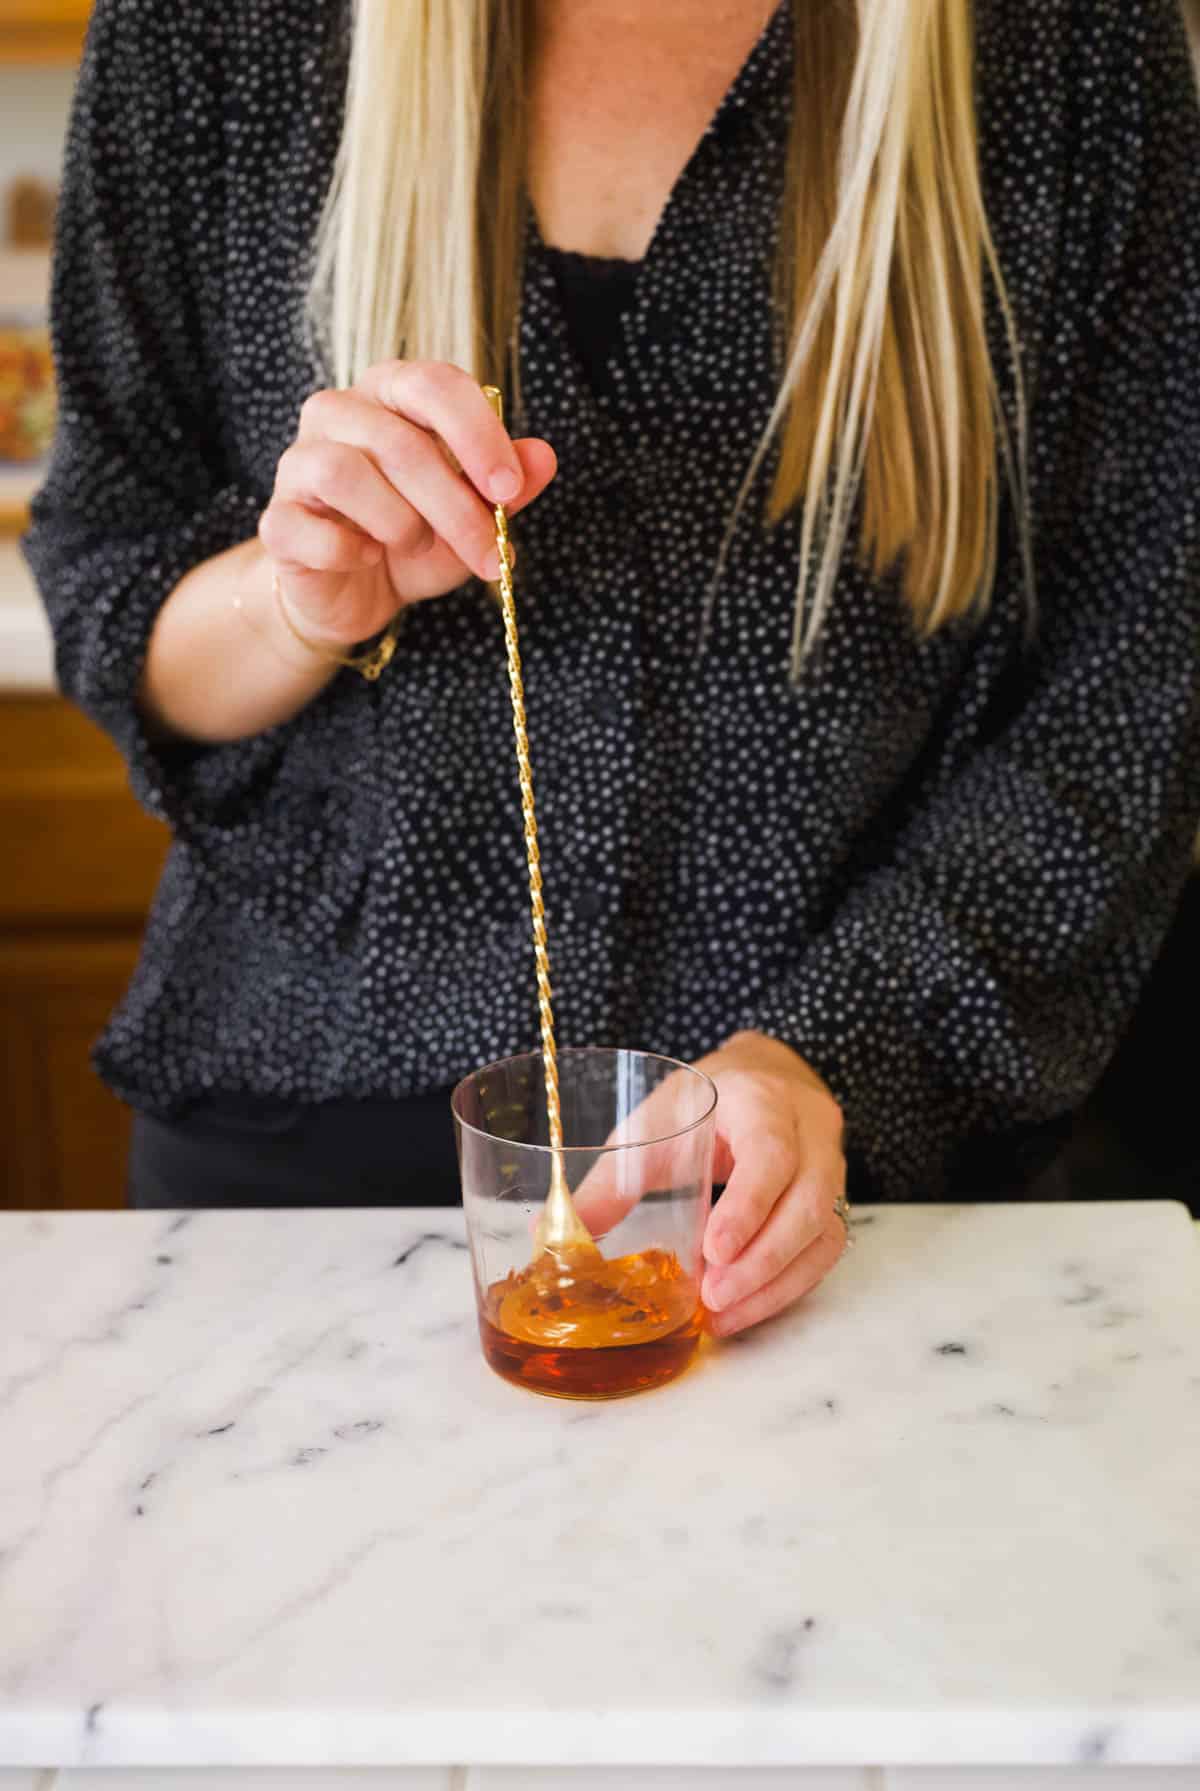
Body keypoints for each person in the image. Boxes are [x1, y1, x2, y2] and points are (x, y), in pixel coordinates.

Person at [24, 0, 1200, 1338]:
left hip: (858, 1209)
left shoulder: (1071, 41)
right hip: (295, 1196)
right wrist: (298, 601)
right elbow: (112, 586)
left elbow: (1137, 690)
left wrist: (827, 1058)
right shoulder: (215, 30)